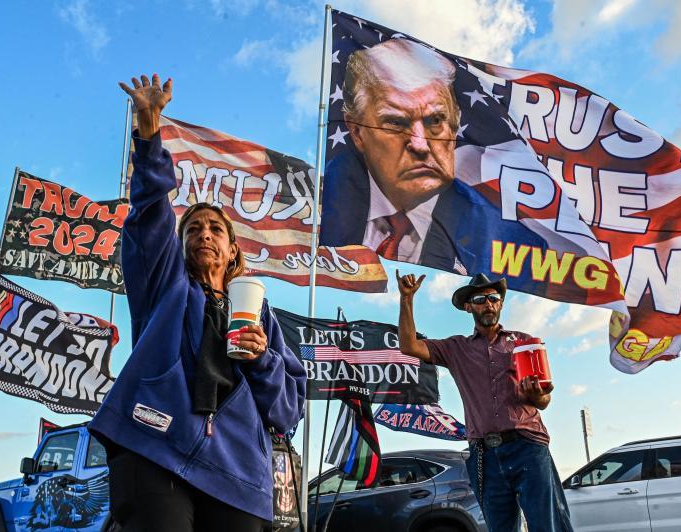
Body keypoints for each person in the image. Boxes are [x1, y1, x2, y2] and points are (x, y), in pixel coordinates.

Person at [88, 74, 306, 531]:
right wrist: (148, 134)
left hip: (238, 474)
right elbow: (150, 213)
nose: (204, 233)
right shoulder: (165, 285)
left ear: (232, 251)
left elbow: (287, 411)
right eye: (193, 229)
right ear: (181, 245)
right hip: (153, 445)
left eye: (215, 229)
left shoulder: (263, 317)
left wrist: (263, 358)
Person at [395, 270, 573, 532]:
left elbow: (544, 400)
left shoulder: (523, 342)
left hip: (528, 447)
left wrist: (537, 394)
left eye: (493, 298)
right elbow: (409, 345)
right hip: (484, 456)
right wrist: (406, 299)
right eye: (480, 299)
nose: (488, 303)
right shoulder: (457, 348)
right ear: (469, 307)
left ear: (500, 304)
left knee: (549, 526)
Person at [320, 38, 496, 275]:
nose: (420, 145)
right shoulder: (322, 206)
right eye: (395, 122)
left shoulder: (496, 232)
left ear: (455, 125)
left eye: (435, 121)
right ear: (357, 131)